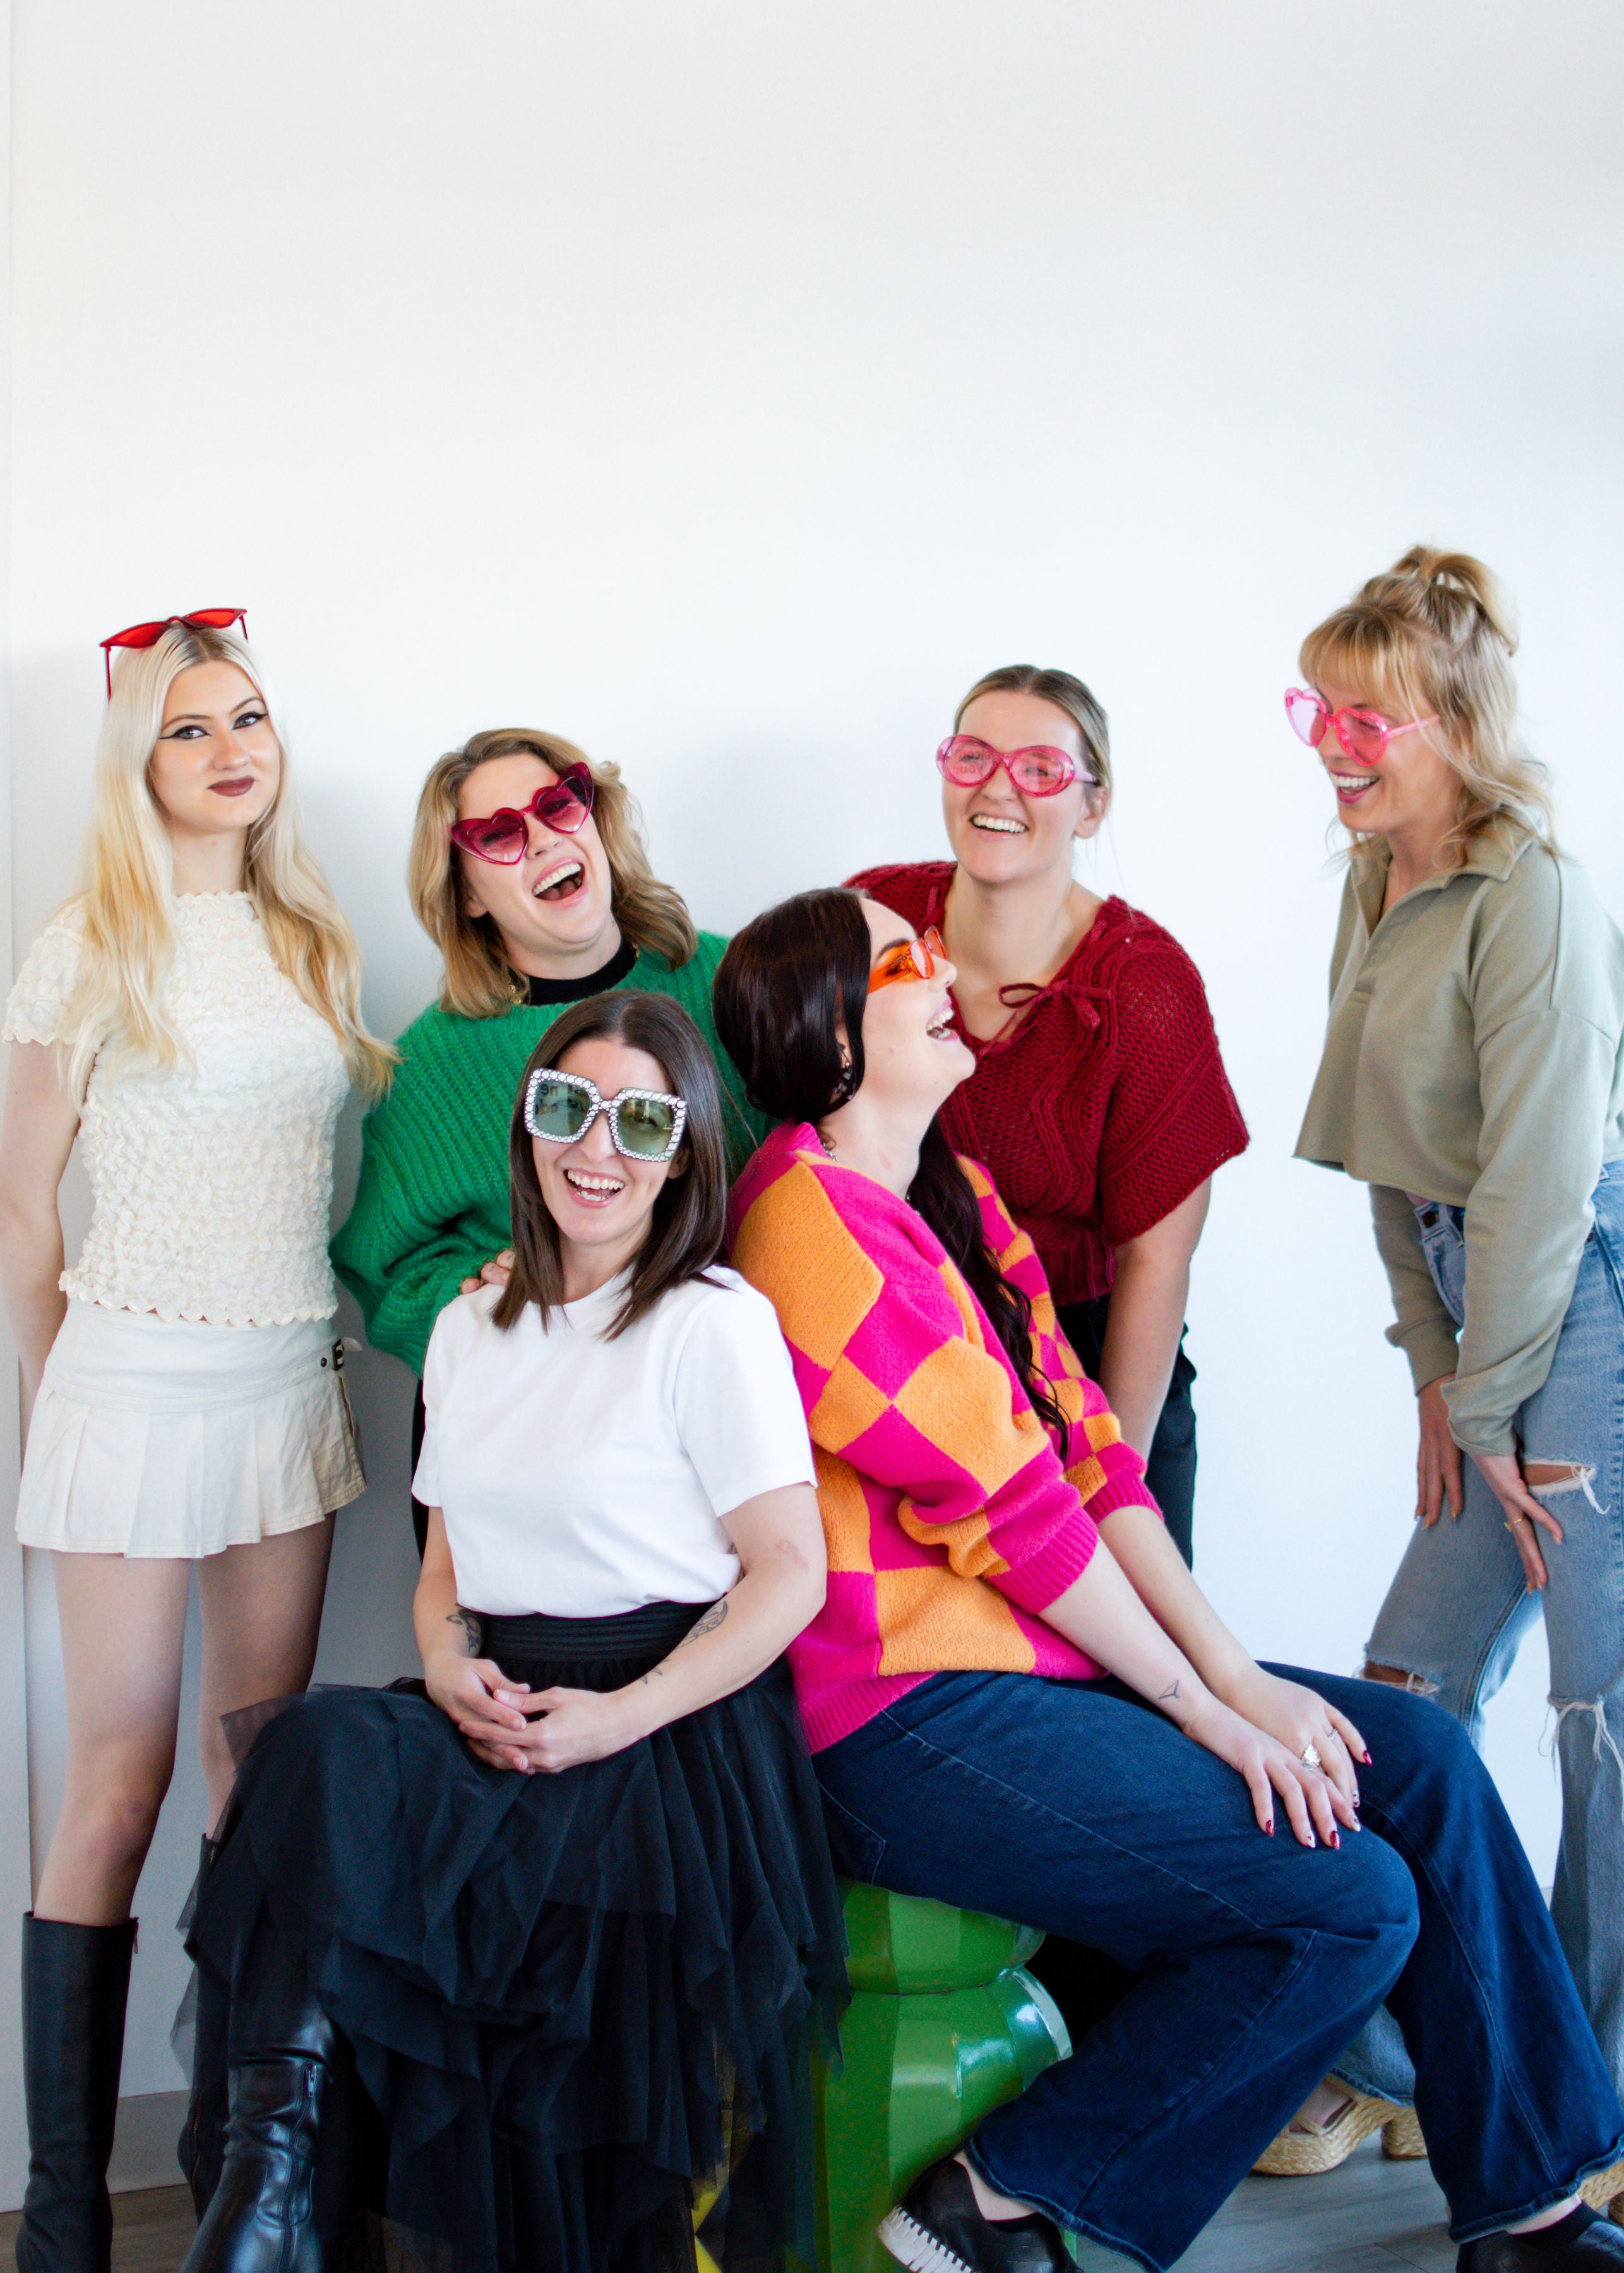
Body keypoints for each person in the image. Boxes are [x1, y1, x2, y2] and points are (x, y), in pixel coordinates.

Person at [710, 885, 1624, 2273]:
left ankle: (1535, 2212)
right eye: (905, 961)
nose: (942, 967)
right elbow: (1012, 1519)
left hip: (1030, 1679)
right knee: (1349, 1899)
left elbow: (1092, 1470)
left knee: (1423, 1762)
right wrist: (1211, 1709)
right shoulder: (803, 1231)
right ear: (826, 1028)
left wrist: (1235, 1674)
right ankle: (1004, 2195)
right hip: (901, 1721)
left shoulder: (950, 1200)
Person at [177, 991, 846, 2273]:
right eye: (566, 1108)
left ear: (683, 1153)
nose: (596, 1147)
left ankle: (278, 2200)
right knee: (310, 1753)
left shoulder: (711, 1324)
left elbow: (786, 1578)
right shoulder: (469, 1330)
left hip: (663, 1734)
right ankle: (269, 2183)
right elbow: (444, 1576)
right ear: (527, 1129)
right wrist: (441, 1667)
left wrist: (619, 1715)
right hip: (498, 1702)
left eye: (639, 1122)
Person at [0, 612, 392, 2273]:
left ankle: (258, 2178)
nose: (233, 750)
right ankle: (70, 2217)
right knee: (117, 1779)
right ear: (134, 760)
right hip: (131, 1383)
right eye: (187, 729)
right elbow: (20, 1208)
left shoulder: (314, 938)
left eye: (248, 718)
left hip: (285, 1378)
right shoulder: (88, 937)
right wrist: (47, 1417)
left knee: (263, 1771)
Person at [1272, 547, 1624, 2185]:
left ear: (1458, 725)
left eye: (1368, 719)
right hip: (1476, 1306)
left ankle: (1593, 2095)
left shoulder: (1531, 893)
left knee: (1596, 1717)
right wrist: (1434, 1372)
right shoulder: (1377, 881)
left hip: (1584, 1303)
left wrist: (1488, 1399)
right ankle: (1406, 2064)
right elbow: (1392, 1162)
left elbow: (1544, 1181)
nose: (1333, 745)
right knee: (1396, 1703)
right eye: (1317, 711)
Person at [848, 662, 1247, 1572]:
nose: (999, 786)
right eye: (974, 756)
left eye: (1041, 768)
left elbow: (1158, 1263)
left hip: (1093, 1363)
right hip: (907, 1350)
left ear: (1093, 806)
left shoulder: (1147, 987)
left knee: (1142, 1673)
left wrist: (1115, 1489)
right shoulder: (875, 920)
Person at [329, 726, 767, 1552]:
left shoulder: (734, 983)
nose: (540, 837)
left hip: (719, 1412)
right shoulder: (433, 1061)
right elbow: (381, 1266)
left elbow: (814, 1165)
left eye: (558, 804)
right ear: (465, 893)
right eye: (497, 834)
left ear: (594, 820)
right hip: (530, 1449)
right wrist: (488, 1297)